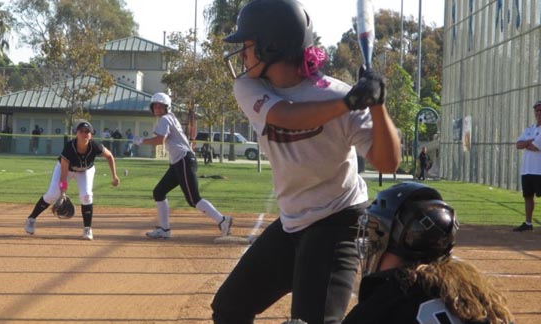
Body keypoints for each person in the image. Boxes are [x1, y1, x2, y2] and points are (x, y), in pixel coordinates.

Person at [212, 1, 401, 323]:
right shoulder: (250, 87)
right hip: (292, 222)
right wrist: (348, 103)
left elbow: (388, 161)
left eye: (247, 45)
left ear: (272, 46)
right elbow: (286, 117)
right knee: (230, 307)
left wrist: (376, 104)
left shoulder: (337, 96)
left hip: (338, 221)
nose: (242, 55)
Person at [341, 182, 514, 324]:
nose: (371, 245)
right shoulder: (480, 297)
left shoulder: (385, 301)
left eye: (376, 237)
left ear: (393, 242)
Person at [134, 92, 233, 239]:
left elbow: (160, 140)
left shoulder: (165, 119)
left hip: (183, 161)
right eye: (155, 105)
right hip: (178, 162)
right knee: (159, 192)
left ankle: (222, 220)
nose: (157, 108)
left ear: (166, 107)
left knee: (193, 199)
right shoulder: (170, 118)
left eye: (160, 106)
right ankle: (164, 230)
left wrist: (141, 141)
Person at [24, 121, 120, 240]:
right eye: (81, 131)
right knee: (53, 194)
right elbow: (64, 174)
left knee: (86, 196)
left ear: (91, 135)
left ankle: (87, 229)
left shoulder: (95, 146)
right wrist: (62, 192)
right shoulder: (69, 148)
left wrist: (114, 176)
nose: (84, 134)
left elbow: (109, 156)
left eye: (87, 132)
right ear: (77, 134)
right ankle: (31, 219)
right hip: (66, 169)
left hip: (85, 170)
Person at [513, 100, 541, 232]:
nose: (538, 112)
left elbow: (535, 147)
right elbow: (518, 145)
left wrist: (527, 143)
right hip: (527, 169)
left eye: (540, 110)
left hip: (539, 169)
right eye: (537, 110)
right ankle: (528, 223)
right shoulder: (530, 128)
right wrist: (528, 142)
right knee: (528, 196)